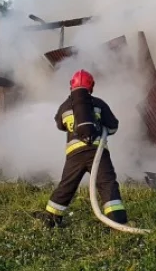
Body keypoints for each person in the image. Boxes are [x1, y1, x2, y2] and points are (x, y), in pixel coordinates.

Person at [35, 69, 128, 228]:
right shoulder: (99, 103)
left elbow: (60, 125)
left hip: (74, 155)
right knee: (107, 184)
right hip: (97, 152)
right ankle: (117, 222)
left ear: (71, 86)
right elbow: (113, 126)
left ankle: (51, 218)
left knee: (66, 185)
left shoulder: (65, 107)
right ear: (91, 86)